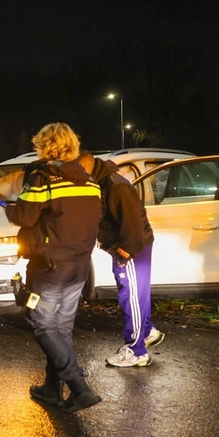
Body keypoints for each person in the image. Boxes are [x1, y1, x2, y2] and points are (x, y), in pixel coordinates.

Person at [4, 123, 103, 413]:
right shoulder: (89, 181)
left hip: (50, 265)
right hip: (80, 264)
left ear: (47, 147)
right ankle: (52, 388)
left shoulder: (44, 178)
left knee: (42, 323)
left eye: (39, 146)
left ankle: (80, 387)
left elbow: (24, 215)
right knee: (61, 325)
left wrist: (7, 205)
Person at [78, 151, 164, 367]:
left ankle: (137, 351)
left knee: (131, 297)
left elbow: (133, 227)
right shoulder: (100, 182)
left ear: (84, 165)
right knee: (136, 296)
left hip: (131, 250)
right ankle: (146, 332)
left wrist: (125, 254)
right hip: (126, 248)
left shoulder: (115, 186)